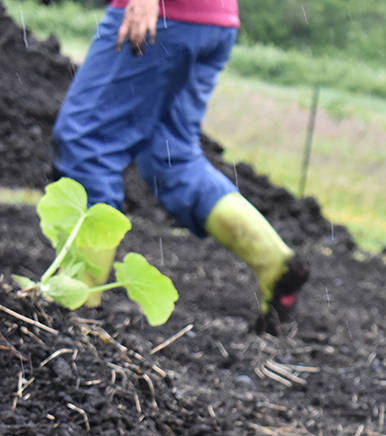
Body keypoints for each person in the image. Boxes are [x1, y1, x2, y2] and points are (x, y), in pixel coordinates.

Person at [51, 0, 306, 334]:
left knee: (86, 143)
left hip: (164, 16)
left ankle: (74, 312)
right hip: (213, 18)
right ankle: (275, 264)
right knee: (170, 156)